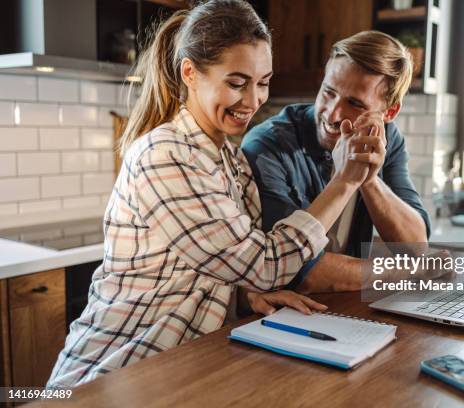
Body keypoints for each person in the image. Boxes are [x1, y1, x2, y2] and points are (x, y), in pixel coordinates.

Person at [47, 0, 378, 389]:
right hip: (107, 376)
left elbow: (210, 269)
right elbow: (266, 264)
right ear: (190, 72)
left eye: (263, 82)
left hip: (175, 371)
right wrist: (344, 183)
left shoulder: (228, 160)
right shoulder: (165, 155)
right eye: (237, 83)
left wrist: (247, 296)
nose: (253, 101)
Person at [242, 31, 432, 294]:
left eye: (354, 103)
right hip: (282, 314)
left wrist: (370, 180)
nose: (332, 114)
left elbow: (416, 245)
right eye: (328, 92)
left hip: (347, 307)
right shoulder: (267, 146)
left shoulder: (386, 140)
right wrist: (411, 273)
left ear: (388, 112)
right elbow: (295, 270)